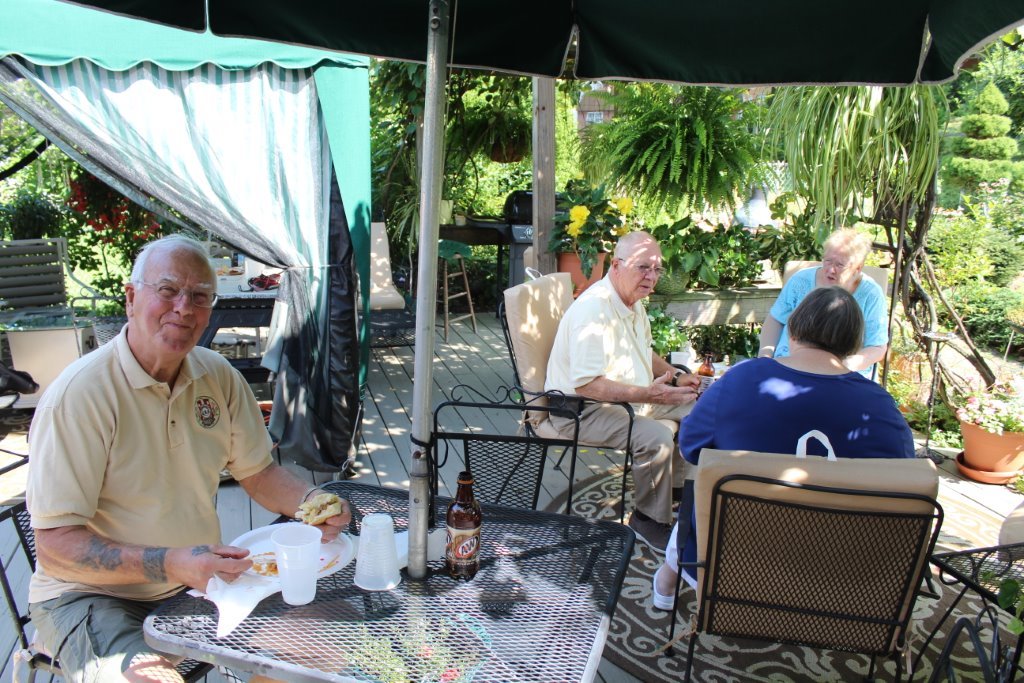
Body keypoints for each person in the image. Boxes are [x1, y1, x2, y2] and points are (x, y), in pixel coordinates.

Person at [26, 234, 350, 683]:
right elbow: (55, 547)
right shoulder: (80, 397)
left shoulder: (218, 376)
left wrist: (313, 502)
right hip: (92, 596)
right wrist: (171, 561)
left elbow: (260, 474)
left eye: (200, 296)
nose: (184, 308)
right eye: (168, 290)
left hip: (198, 583)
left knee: (325, 648)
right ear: (131, 298)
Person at [651, 286, 914, 608]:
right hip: (845, 580)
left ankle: (667, 583)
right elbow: (905, 483)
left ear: (794, 329)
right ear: (853, 343)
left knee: (699, 493)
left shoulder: (742, 380)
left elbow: (690, 448)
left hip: (734, 563)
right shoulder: (880, 407)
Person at [546, 231, 699, 552]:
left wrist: (675, 377)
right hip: (580, 410)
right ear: (616, 265)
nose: (651, 277)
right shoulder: (593, 311)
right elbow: (587, 384)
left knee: (698, 411)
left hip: (628, 399)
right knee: (655, 437)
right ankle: (647, 520)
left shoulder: (631, 301)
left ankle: (673, 495)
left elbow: (644, 351)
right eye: (643, 267)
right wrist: (650, 395)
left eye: (657, 269)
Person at [758, 228, 888, 377]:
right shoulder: (800, 280)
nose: (831, 270)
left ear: (857, 269)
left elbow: (877, 347)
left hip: (841, 374)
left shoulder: (871, 294)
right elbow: (776, 319)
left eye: (840, 265)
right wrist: (765, 358)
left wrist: (844, 367)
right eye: (827, 261)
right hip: (789, 364)